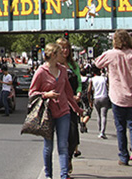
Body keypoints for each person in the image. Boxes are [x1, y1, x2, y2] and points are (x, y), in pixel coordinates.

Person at [29, 43, 83, 179]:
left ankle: (64, 175)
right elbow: (32, 92)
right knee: (48, 146)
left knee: (63, 145)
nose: (63, 55)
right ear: (53, 55)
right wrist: (46, 94)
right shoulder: (41, 72)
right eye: (59, 53)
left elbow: (68, 93)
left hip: (63, 111)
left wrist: (77, 109)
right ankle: (48, 175)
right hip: (48, 113)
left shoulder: (63, 70)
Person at [94, 29, 132, 169]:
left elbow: (97, 63)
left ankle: (123, 156)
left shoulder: (111, 54)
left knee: (120, 128)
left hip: (117, 97)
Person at [56, 37, 81, 171]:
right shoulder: (53, 65)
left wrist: (78, 93)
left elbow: (79, 82)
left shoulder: (73, 65)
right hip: (58, 104)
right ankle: (64, 166)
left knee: (73, 135)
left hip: (71, 104)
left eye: (66, 48)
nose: (64, 51)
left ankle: (69, 158)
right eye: (62, 48)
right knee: (62, 137)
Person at [89, 66, 110, 139]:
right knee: (104, 115)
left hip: (96, 97)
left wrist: (90, 100)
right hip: (104, 97)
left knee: (98, 115)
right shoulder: (104, 78)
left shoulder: (92, 79)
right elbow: (108, 86)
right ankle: (102, 132)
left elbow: (89, 90)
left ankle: (99, 130)